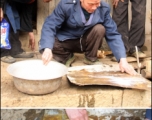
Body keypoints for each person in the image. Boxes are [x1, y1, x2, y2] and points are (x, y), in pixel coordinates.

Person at [39, 0, 137, 75]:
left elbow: (113, 34)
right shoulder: (66, 5)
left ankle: (91, 57)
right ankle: (67, 57)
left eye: (97, 3)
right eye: (91, 4)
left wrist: (122, 60)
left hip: (87, 41)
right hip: (66, 40)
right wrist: (47, 49)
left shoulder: (104, 8)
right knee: (47, 43)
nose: (95, 7)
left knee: (100, 29)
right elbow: (50, 25)